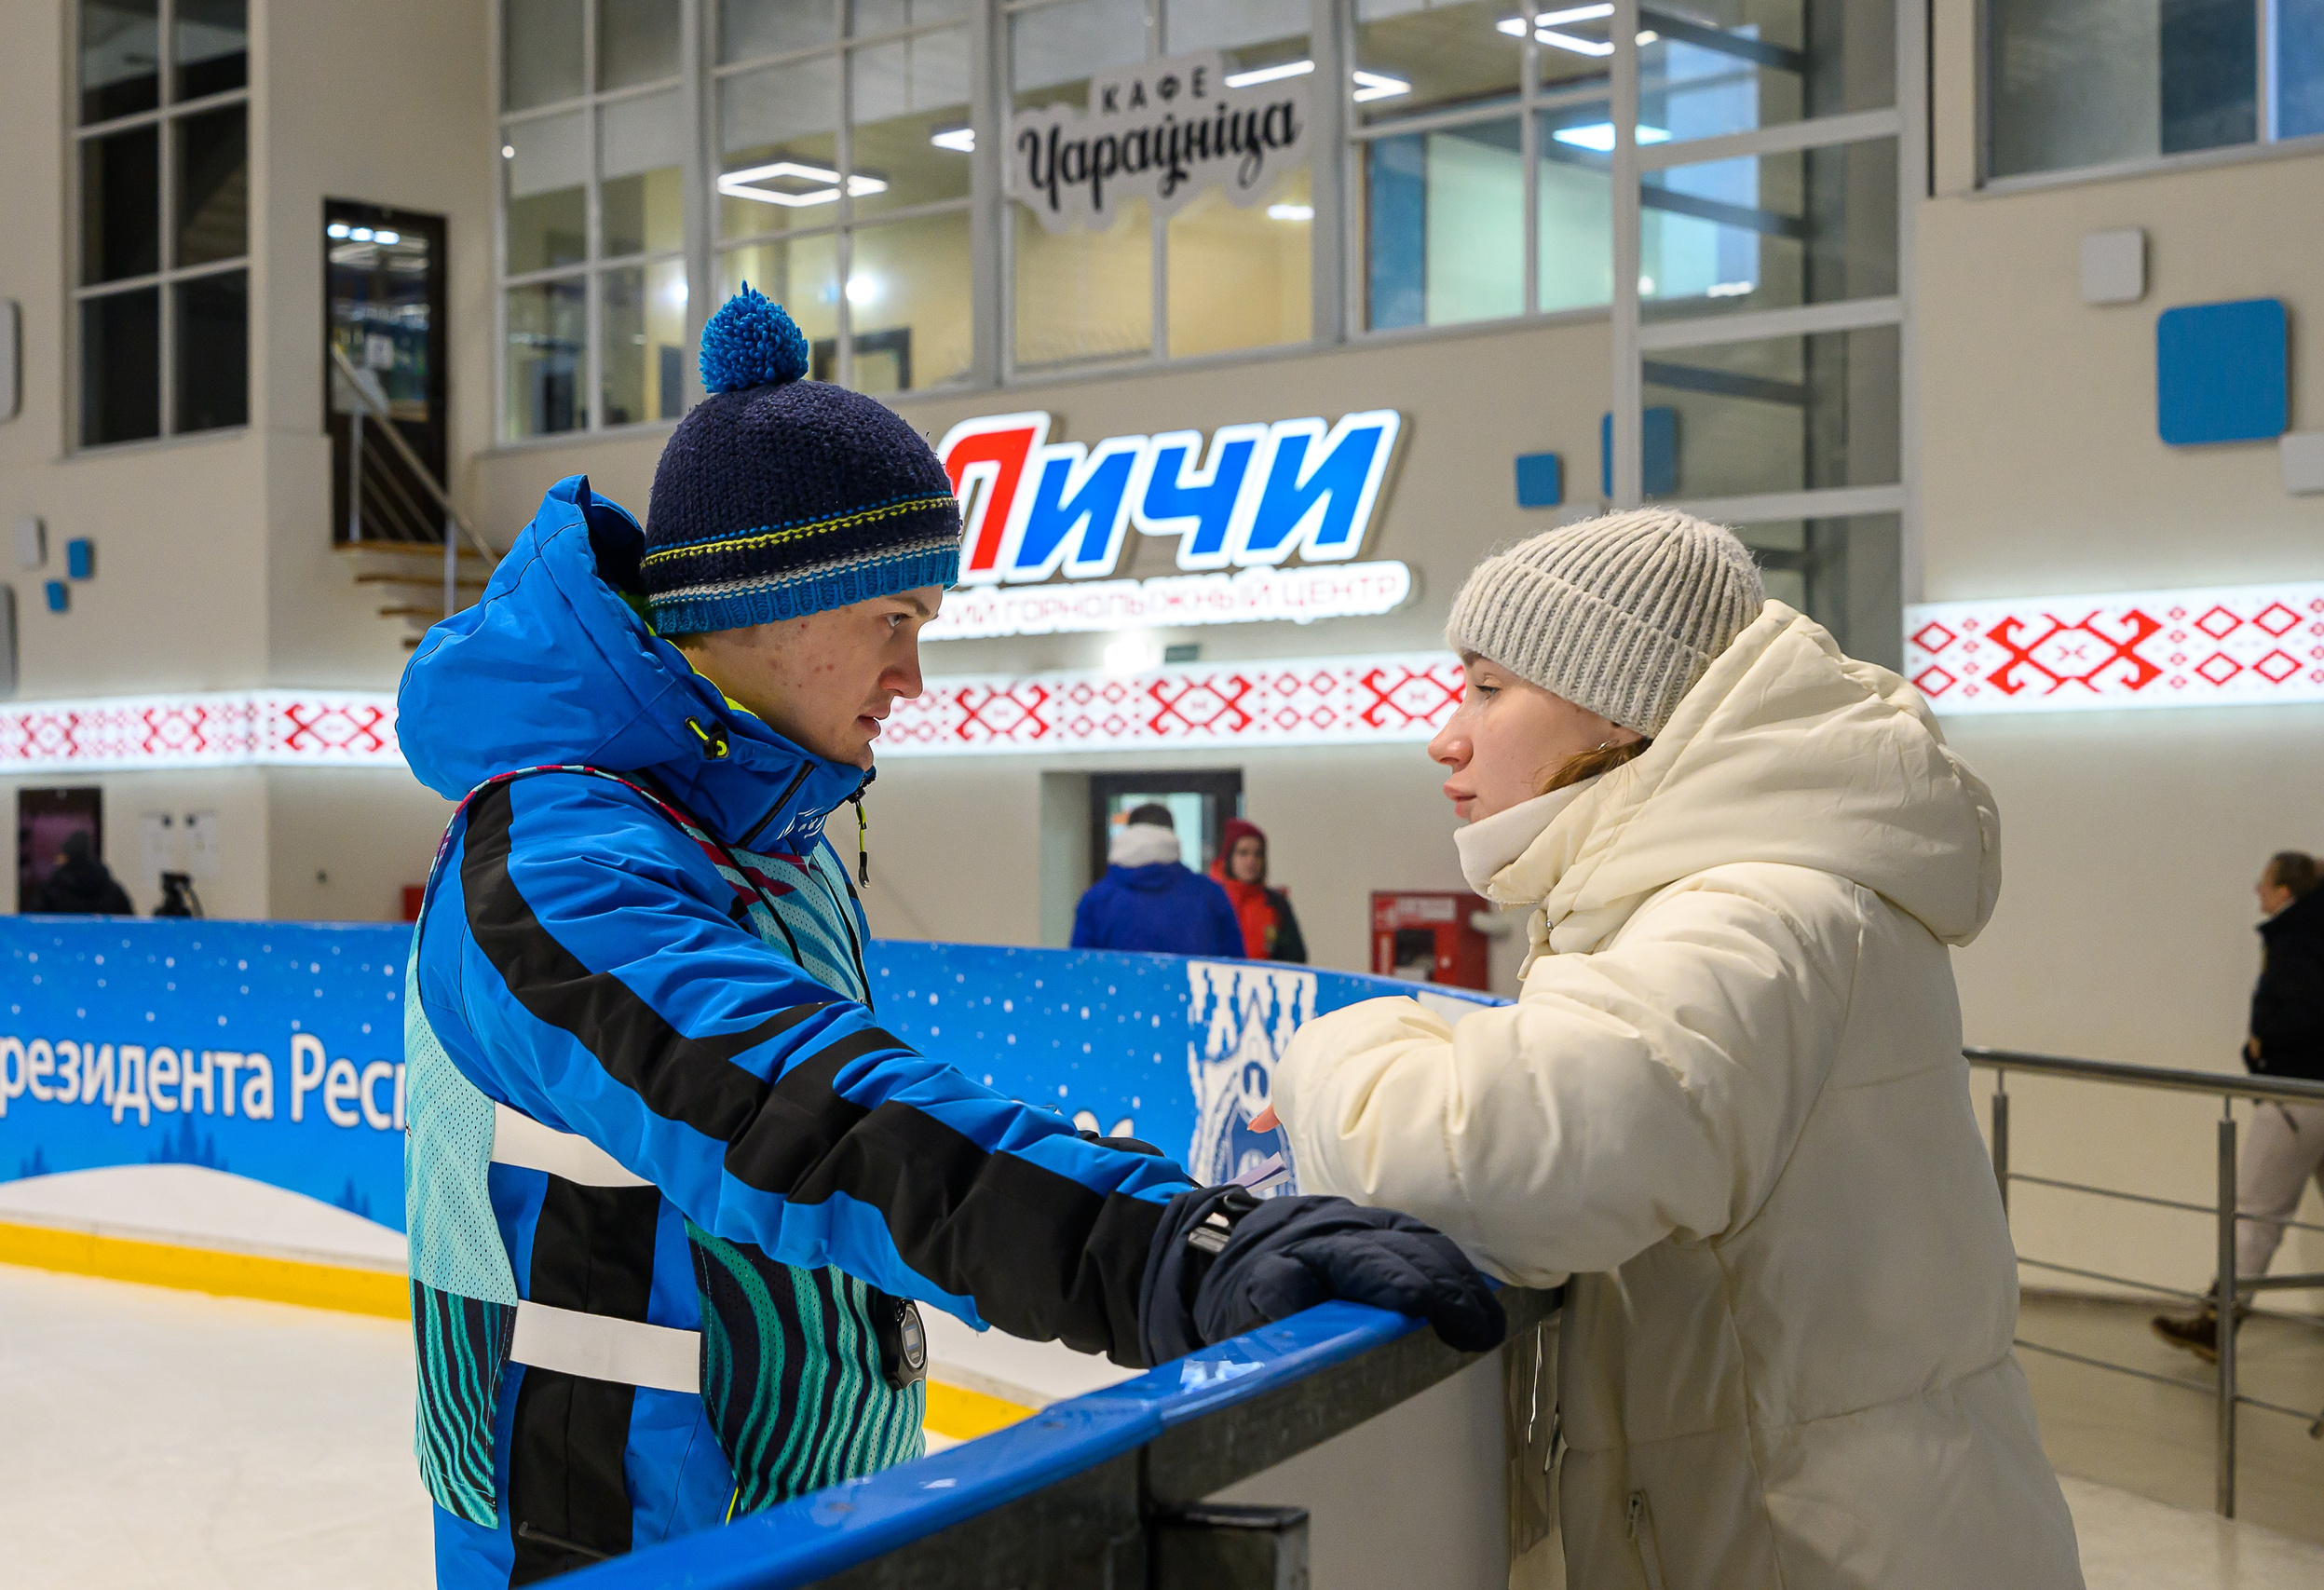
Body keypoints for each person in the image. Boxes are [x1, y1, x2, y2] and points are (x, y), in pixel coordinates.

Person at [394, 289, 1500, 1587]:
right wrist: (1165, 1249)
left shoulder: (771, 838)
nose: (915, 677)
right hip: (608, 1530)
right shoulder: (551, 867)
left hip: (790, 1507)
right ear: (764, 600)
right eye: (895, 619)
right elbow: (819, 1117)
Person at [1267, 511, 2085, 1589]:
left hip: (1821, 1551)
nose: (1446, 737)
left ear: (1614, 702)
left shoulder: (1755, 919)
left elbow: (1473, 1162)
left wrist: (1330, 1047)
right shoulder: (1757, 897)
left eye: (1485, 688)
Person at [2152, 852, 2324, 1359]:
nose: (2257, 892)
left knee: (2256, 1212)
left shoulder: (2296, 940)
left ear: (2285, 893)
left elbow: (2310, 1015)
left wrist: (2263, 1041)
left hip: (2300, 1093)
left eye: (2264, 883)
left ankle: (2217, 1322)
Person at [1069, 803, 1244, 958]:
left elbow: (1081, 971)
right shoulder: (1210, 895)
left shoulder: (1097, 899)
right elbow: (1235, 968)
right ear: (1172, 836)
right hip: (1192, 993)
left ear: (1130, 833)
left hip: (1118, 995)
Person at [1208, 817, 1307, 963]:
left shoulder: (1277, 904)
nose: (1251, 861)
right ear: (1229, 858)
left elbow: (1295, 957)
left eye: (1258, 854)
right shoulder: (1210, 899)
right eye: (1243, 853)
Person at [31, 830, 133, 915]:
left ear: (66, 857)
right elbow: (129, 925)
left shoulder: (50, 891)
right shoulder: (113, 891)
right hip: (104, 939)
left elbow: (35, 925)